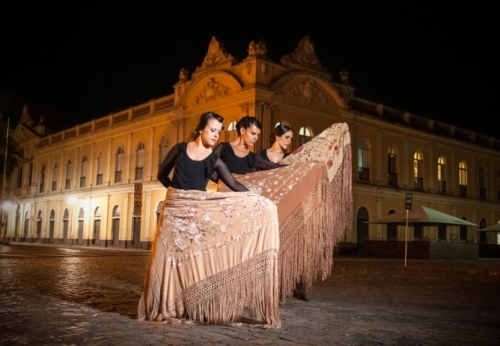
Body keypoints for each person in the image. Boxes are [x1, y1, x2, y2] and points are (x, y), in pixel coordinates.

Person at [138, 112, 281, 328]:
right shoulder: (179, 149)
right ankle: (165, 305)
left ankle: (190, 305)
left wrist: (259, 201)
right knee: (167, 261)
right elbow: (161, 174)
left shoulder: (214, 159)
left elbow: (234, 184)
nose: (216, 135)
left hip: (196, 214)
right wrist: (176, 195)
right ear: (201, 129)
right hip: (173, 214)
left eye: (219, 131)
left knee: (191, 261)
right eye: (212, 130)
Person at [218, 122, 352, 304]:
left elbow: (295, 177)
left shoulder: (292, 159)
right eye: (287, 137)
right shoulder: (260, 155)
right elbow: (255, 179)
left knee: (288, 244)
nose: (290, 141)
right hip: (264, 206)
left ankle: (293, 285)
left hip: (285, 205)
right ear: (277, 136)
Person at [212, 116, 283, 176]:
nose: (256, 138)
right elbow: (207, 169)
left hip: (244, 192)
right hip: (225, 192)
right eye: (253, 133)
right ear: (242, 130)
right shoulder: (223, 148)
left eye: (258, 135)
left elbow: (274, 167)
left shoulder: (253, 157)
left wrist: (292, 165)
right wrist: (221, 181)